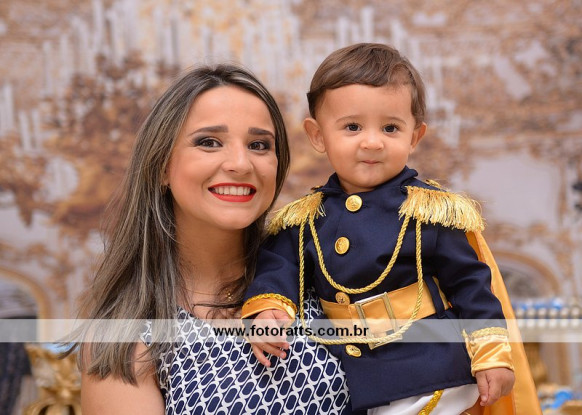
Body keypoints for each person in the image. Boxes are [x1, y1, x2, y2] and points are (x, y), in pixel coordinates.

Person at [242, 43, 541, 414]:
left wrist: (492, 354)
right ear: (317, 135)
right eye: (352, 127)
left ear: (414, 136)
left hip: (431, 370)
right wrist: (269, 310)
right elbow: (279, 268)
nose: (372, 142)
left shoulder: (429, 210)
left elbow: (471, 285)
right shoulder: (303, 220)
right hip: (353, 381)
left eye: (390, 127)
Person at [77, 64, 357, 414]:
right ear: (161, 165)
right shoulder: (125, 339)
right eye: (208, 142)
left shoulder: (323, 267)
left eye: (258, 145)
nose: (240, 164)